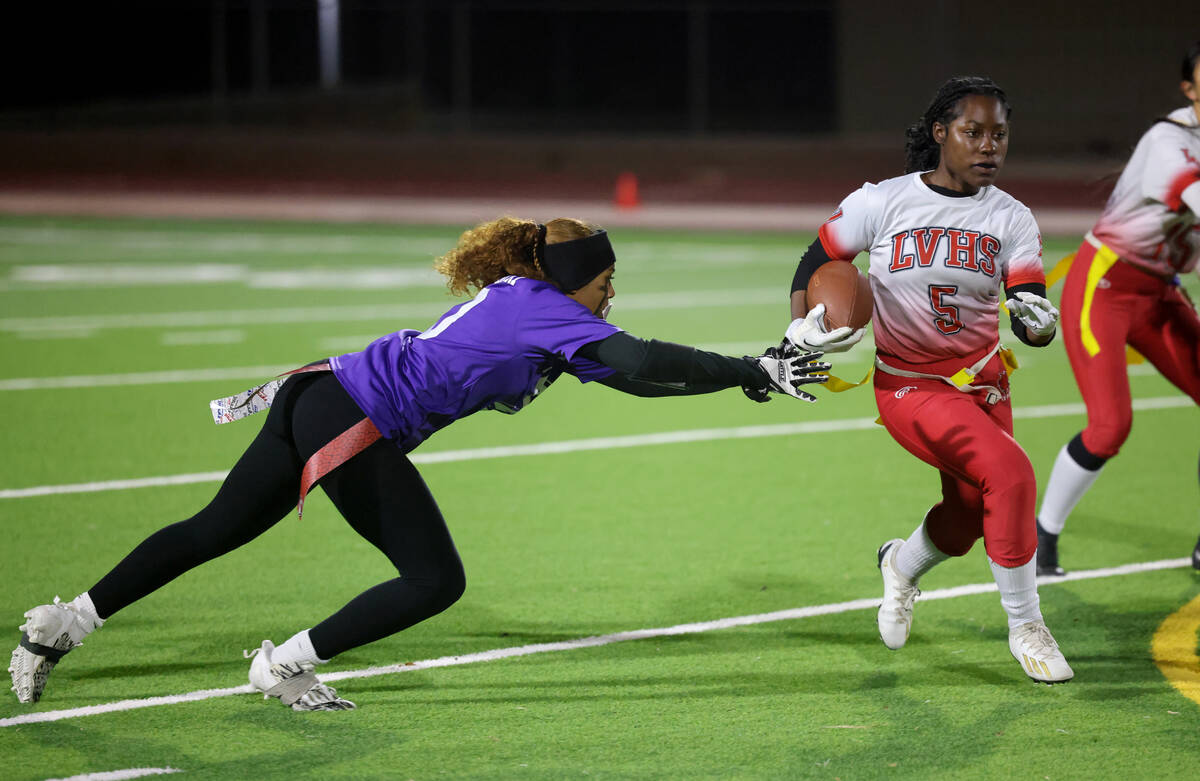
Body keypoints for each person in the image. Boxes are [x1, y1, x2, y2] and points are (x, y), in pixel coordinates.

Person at [8, 217, 832, 711]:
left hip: (323, 390)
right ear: (579, 278)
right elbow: (646, 355)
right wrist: (749, 367)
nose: (614, 293)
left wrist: (739, 382)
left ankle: (64, 622)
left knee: (214, 527)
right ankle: (282, 666)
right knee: (435, 579)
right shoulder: (542, 307)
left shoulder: (540, 309)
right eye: (609, 279)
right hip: (353, 413)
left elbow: (635, 380)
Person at [783, 77, 1072, 682]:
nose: (989, 145)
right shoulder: (882, 201)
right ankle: (1026, 624)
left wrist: (1039, 325)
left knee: (967, 518)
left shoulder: (1012, 218)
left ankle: (900, 565)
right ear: (941, 134)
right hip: (910, 384)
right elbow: (817, 261)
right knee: (1012, 472)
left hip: (984, 382)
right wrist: (797, 331)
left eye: (1000, 134)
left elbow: (1028, 309)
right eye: (974, 132)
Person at [1035, 41, 1200, 576]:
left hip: (1160, 290)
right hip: (1104, 284)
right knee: (1110, 427)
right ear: (1189, 89)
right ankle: (1042, 538)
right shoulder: (1168, 140)